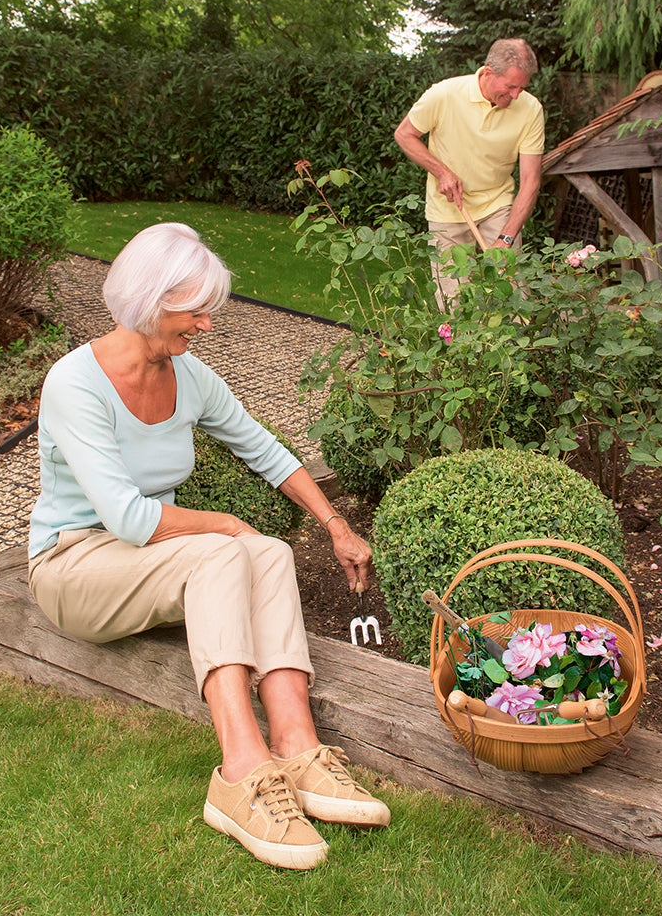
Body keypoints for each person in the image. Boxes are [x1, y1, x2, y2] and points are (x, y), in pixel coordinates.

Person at [27, 223, 390, 870]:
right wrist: (224, 524)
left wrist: (334, 523)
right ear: (148, 300)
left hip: (149, 558)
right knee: (227, 547)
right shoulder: (73, 384)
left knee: (271, 552)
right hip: (76, 564)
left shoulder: (189, 376)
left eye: (208, 310)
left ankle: (298, 748)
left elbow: (263, 448)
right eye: (194, 310)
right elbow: (127, 517)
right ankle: (240, 775)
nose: (206, 325)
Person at [394, 38, 545, 308]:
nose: (516, 95)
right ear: (488, 73)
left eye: (522, 87)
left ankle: (516, 348)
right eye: (510, 86)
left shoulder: (531, 109)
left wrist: (506, 238)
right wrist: (441, 171)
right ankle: (463, 349)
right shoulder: (444, 95)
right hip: (448, 208)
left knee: (512, 293)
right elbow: (405, 134)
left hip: (496, 204)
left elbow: (531, 181)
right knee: (456, 300)